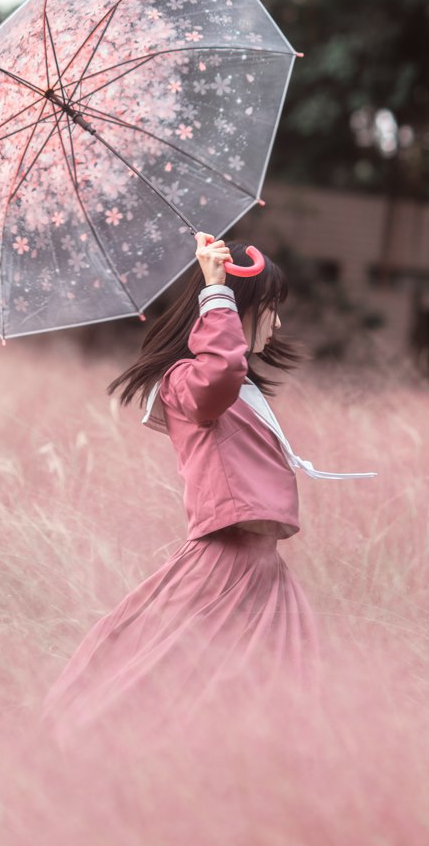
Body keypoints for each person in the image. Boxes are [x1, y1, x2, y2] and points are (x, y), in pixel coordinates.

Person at [41, 232, 375, 750]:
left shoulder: (238, 388)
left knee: (284, 689)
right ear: (238, 307)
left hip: (263, 568)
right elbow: (219, 372)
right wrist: (216, 290)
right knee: (173, 675)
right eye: (270, 309)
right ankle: (104, 762)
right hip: (224, 566)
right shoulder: (187, 382)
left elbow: (229, 374)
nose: (279, 323)